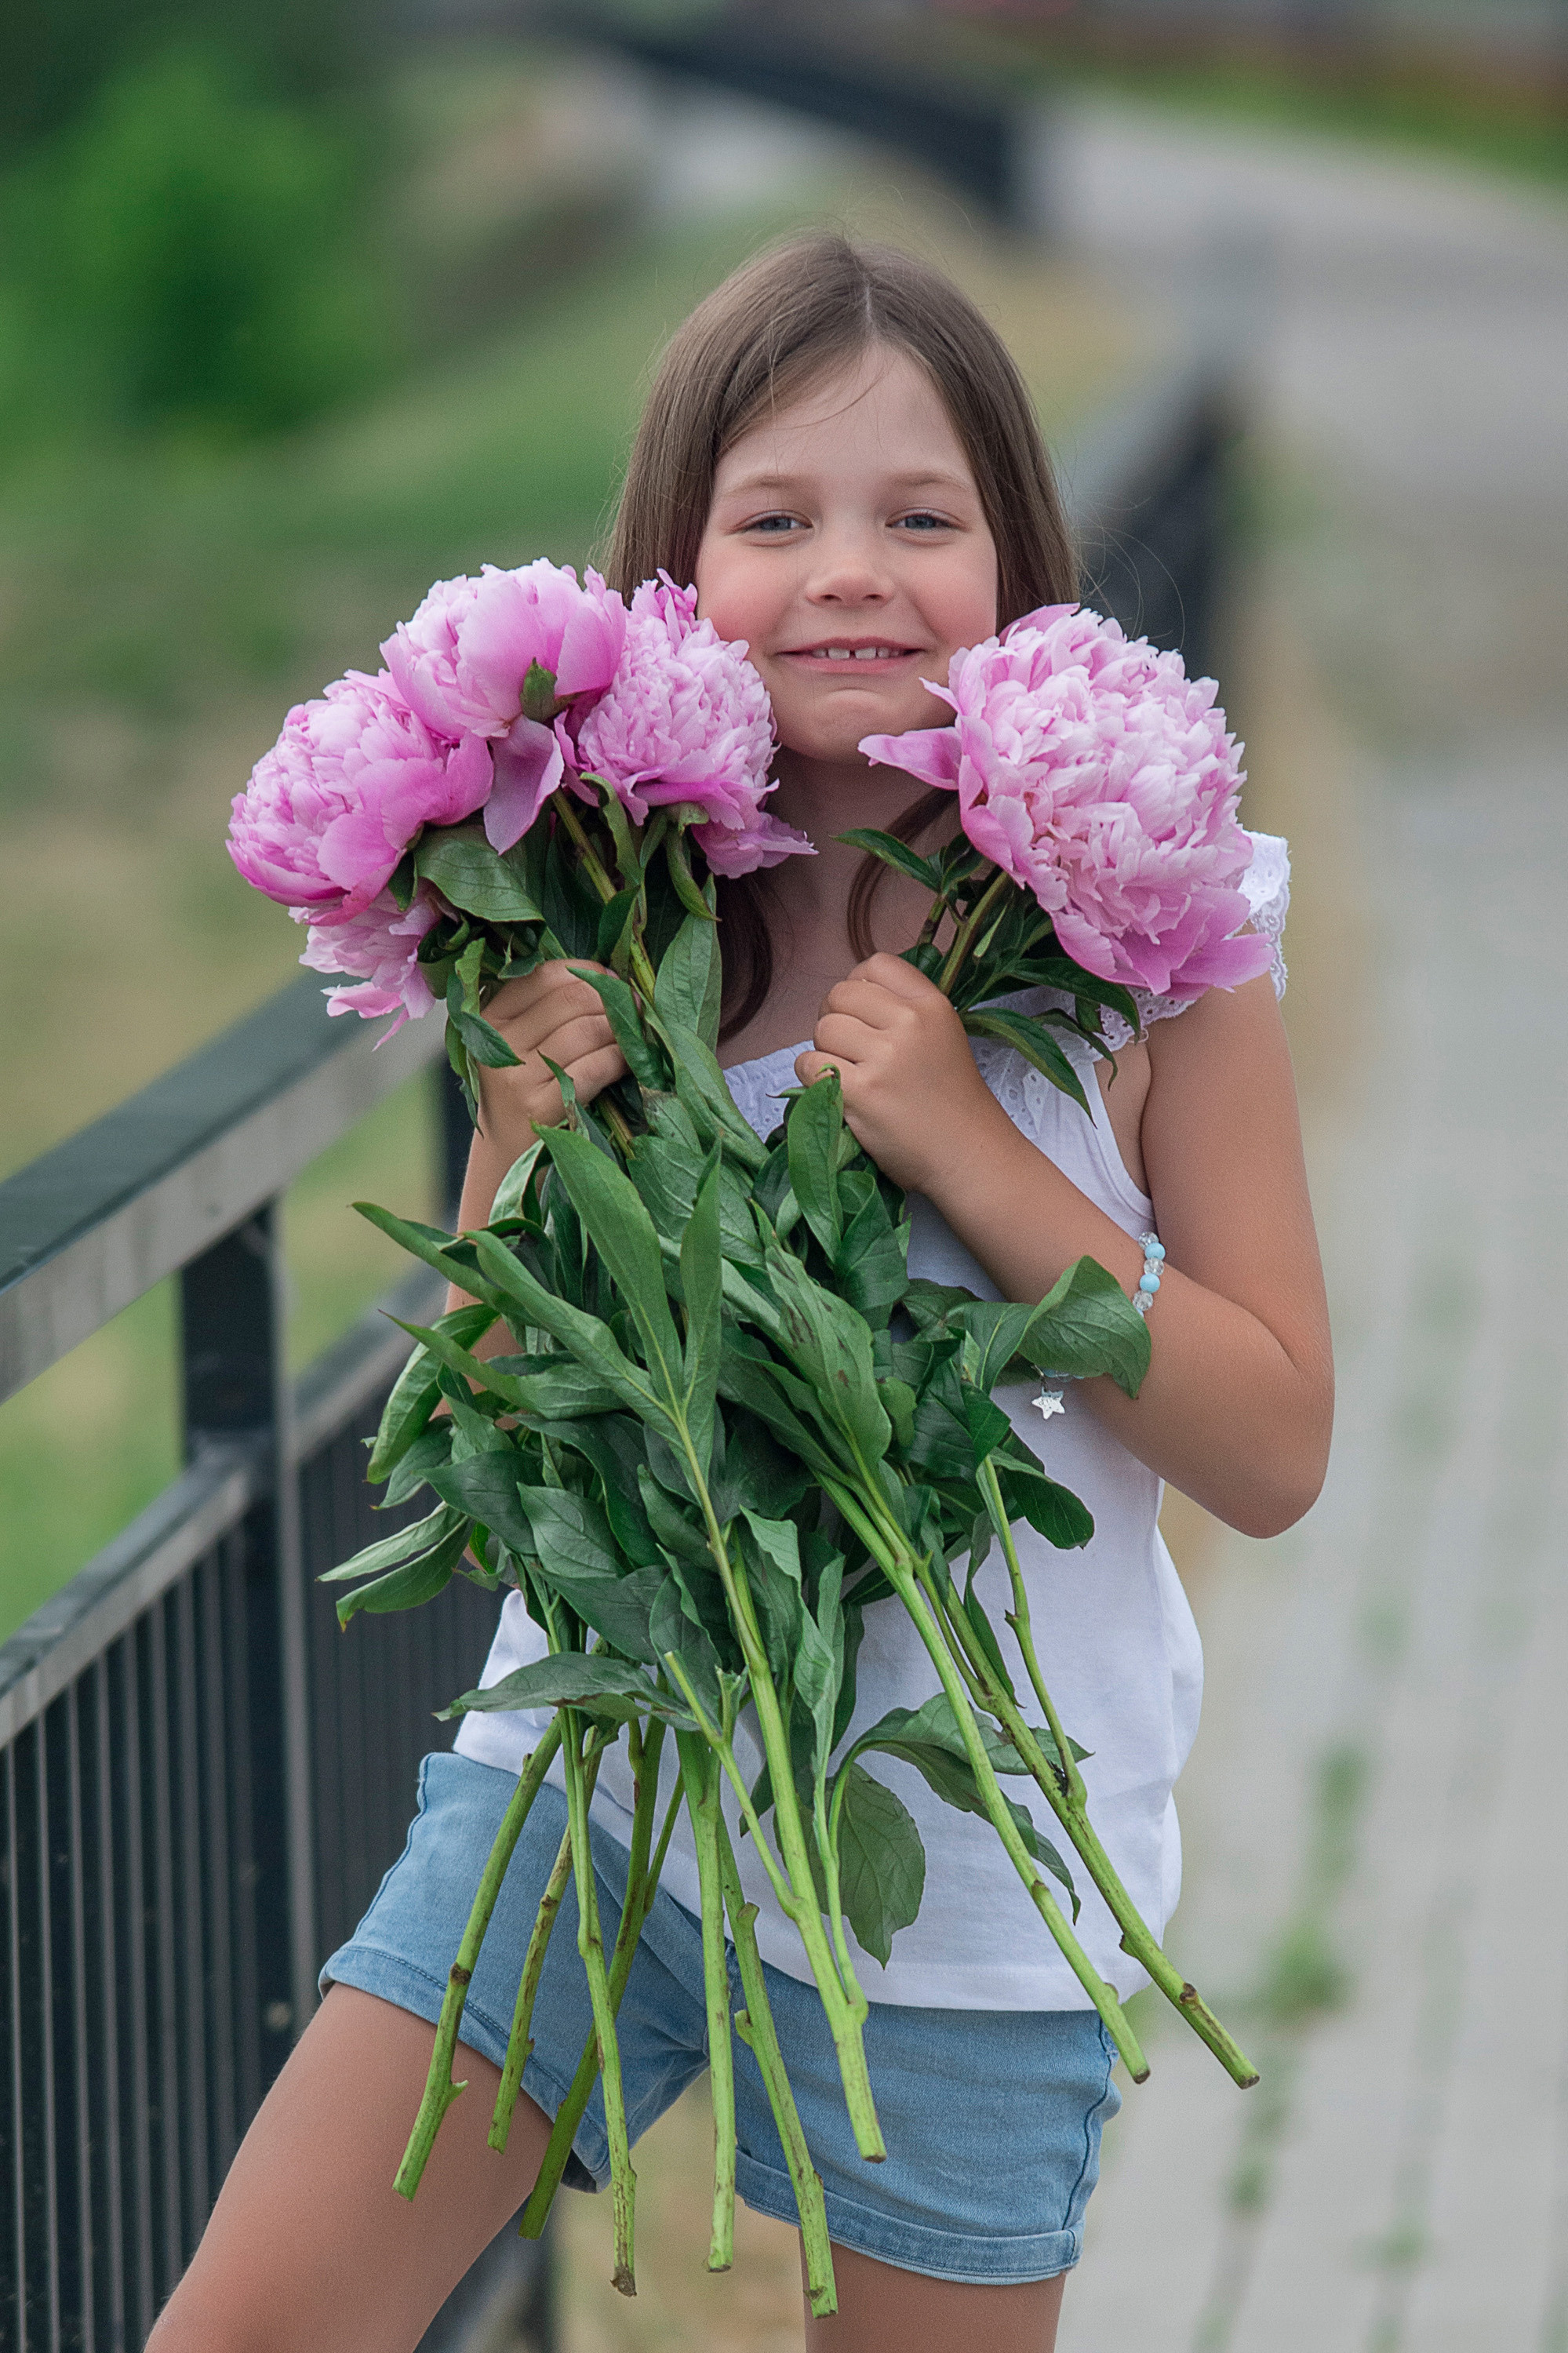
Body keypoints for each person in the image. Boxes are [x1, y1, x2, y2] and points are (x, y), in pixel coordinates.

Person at [149, 235, 1332, 2353]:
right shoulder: (614, 902)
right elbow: (487, 1423)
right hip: (594, 1778)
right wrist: (513, 1151)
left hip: (960, 1889)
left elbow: (1275, 1443)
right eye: (776, 520)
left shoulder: (1153, 933)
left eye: (922, 517)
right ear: (672, 577)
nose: (853, 572)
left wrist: (974, 1145)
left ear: (1020, 559)